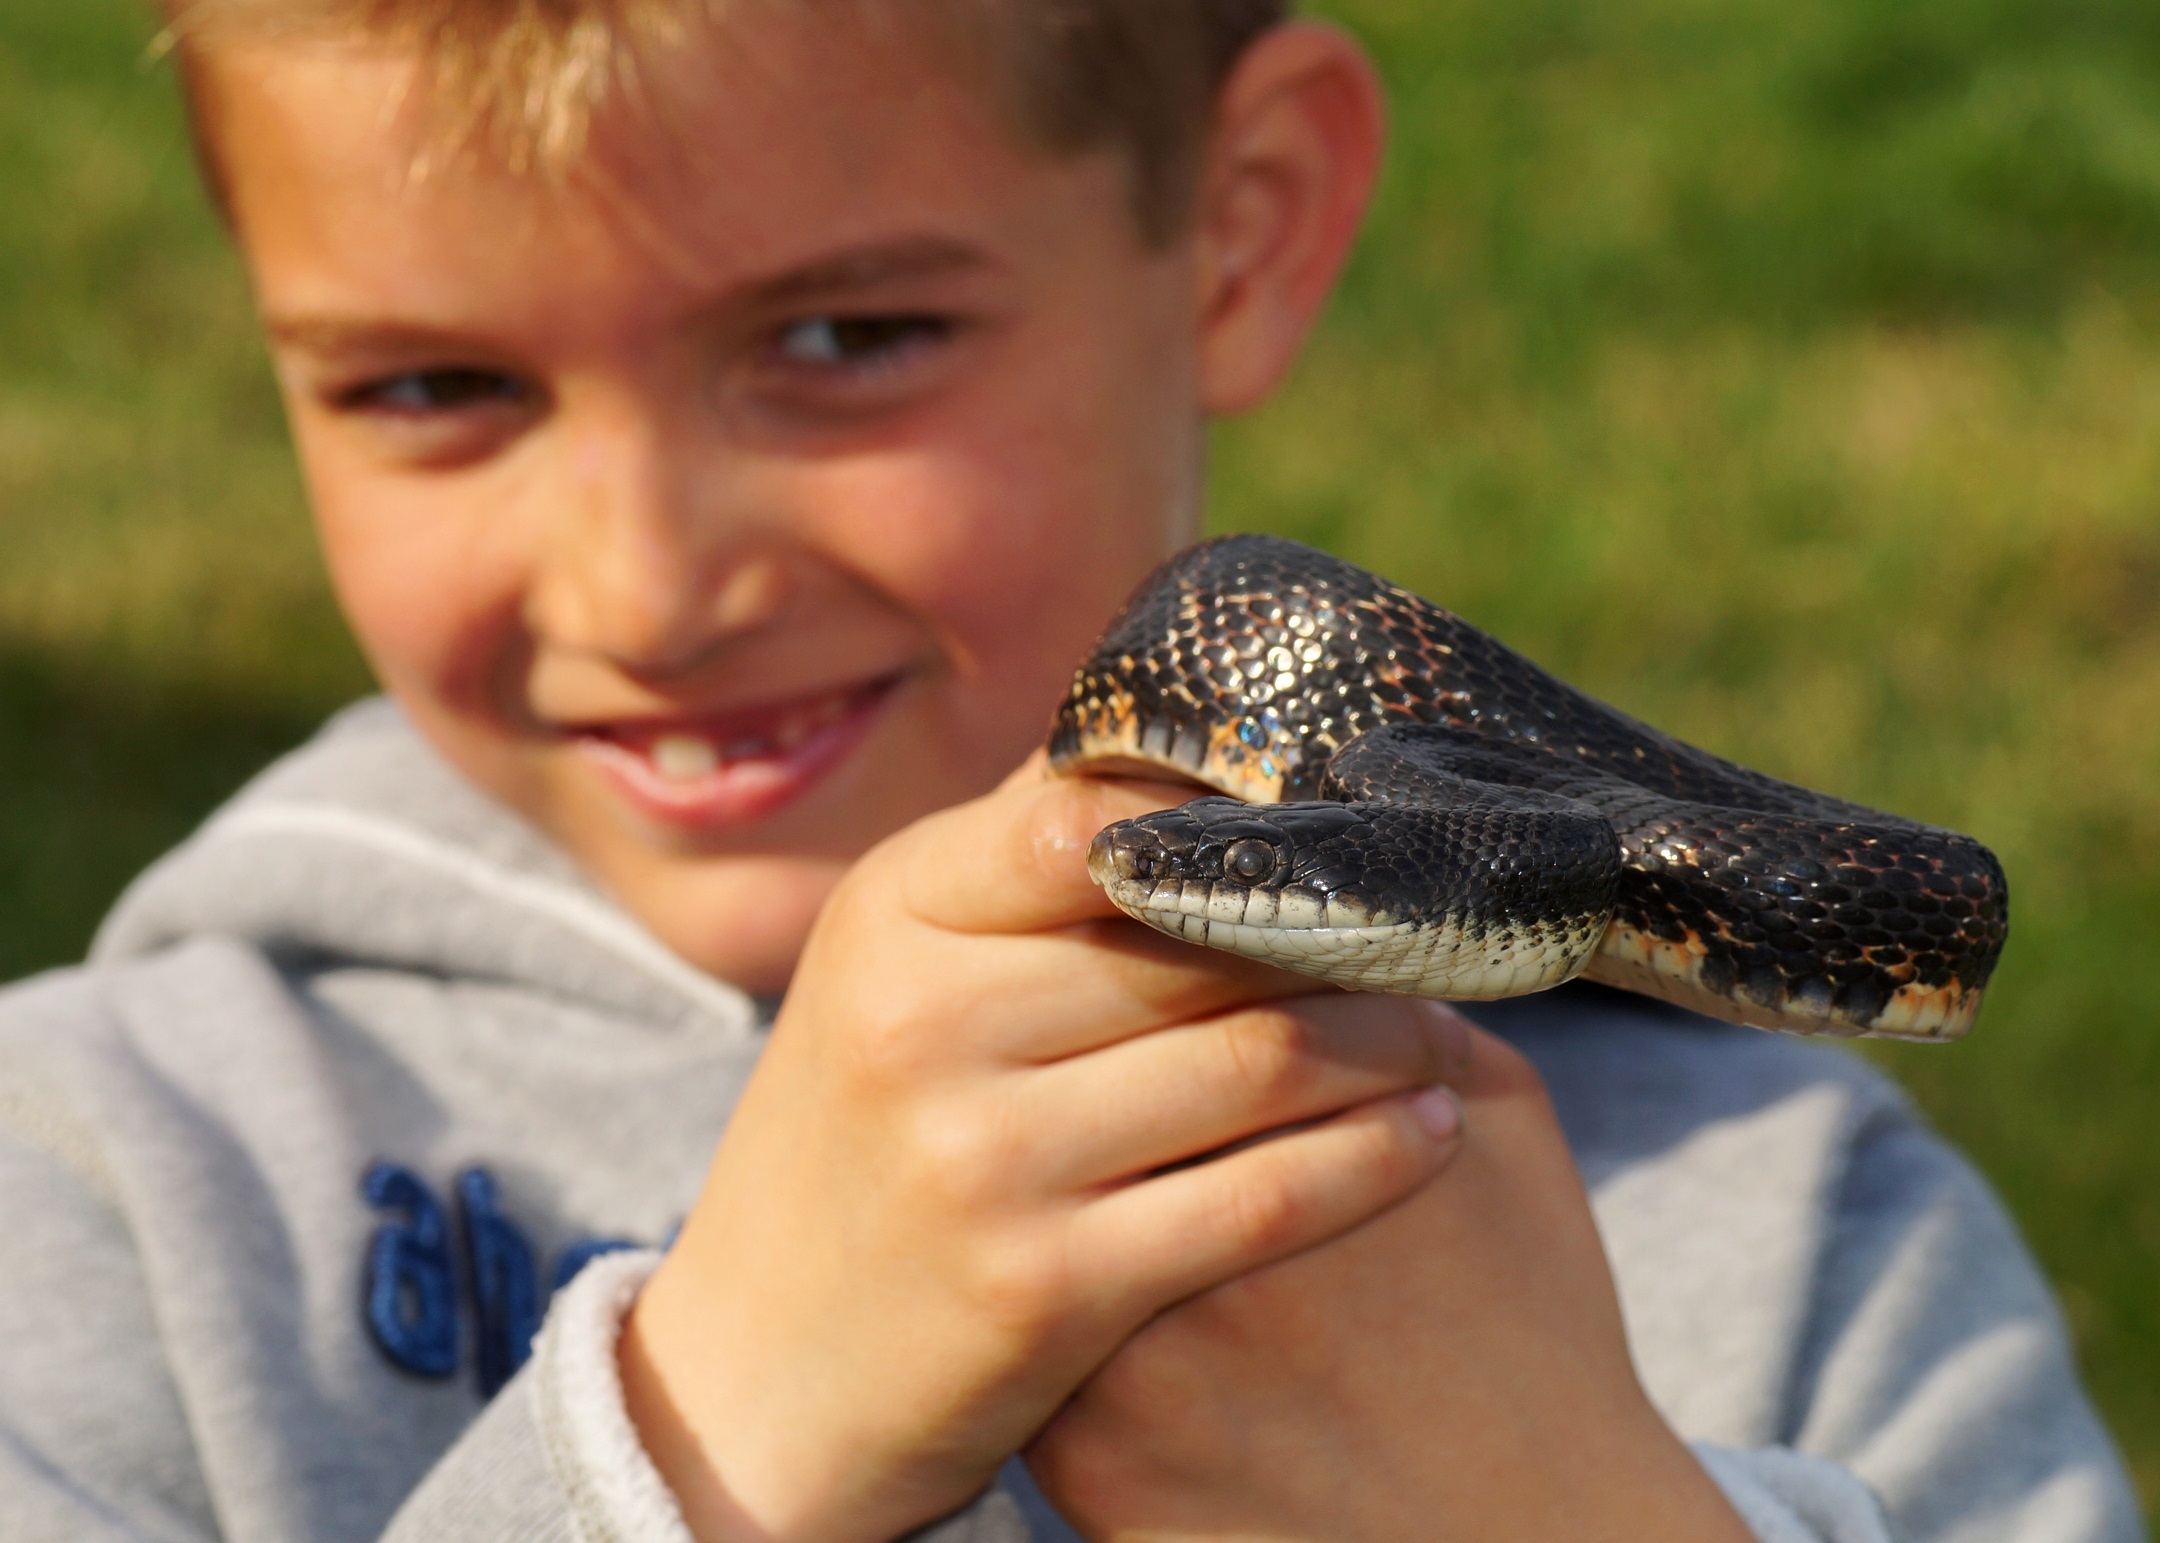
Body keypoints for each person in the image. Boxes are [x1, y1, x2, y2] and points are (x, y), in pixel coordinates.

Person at [0, 1, 2139, 1539]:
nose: (647, 585)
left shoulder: (1793, 1237)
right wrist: (689, 1454)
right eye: (437, 381)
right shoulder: (101, 1174)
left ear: (1239, 228)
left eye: (846, 339)